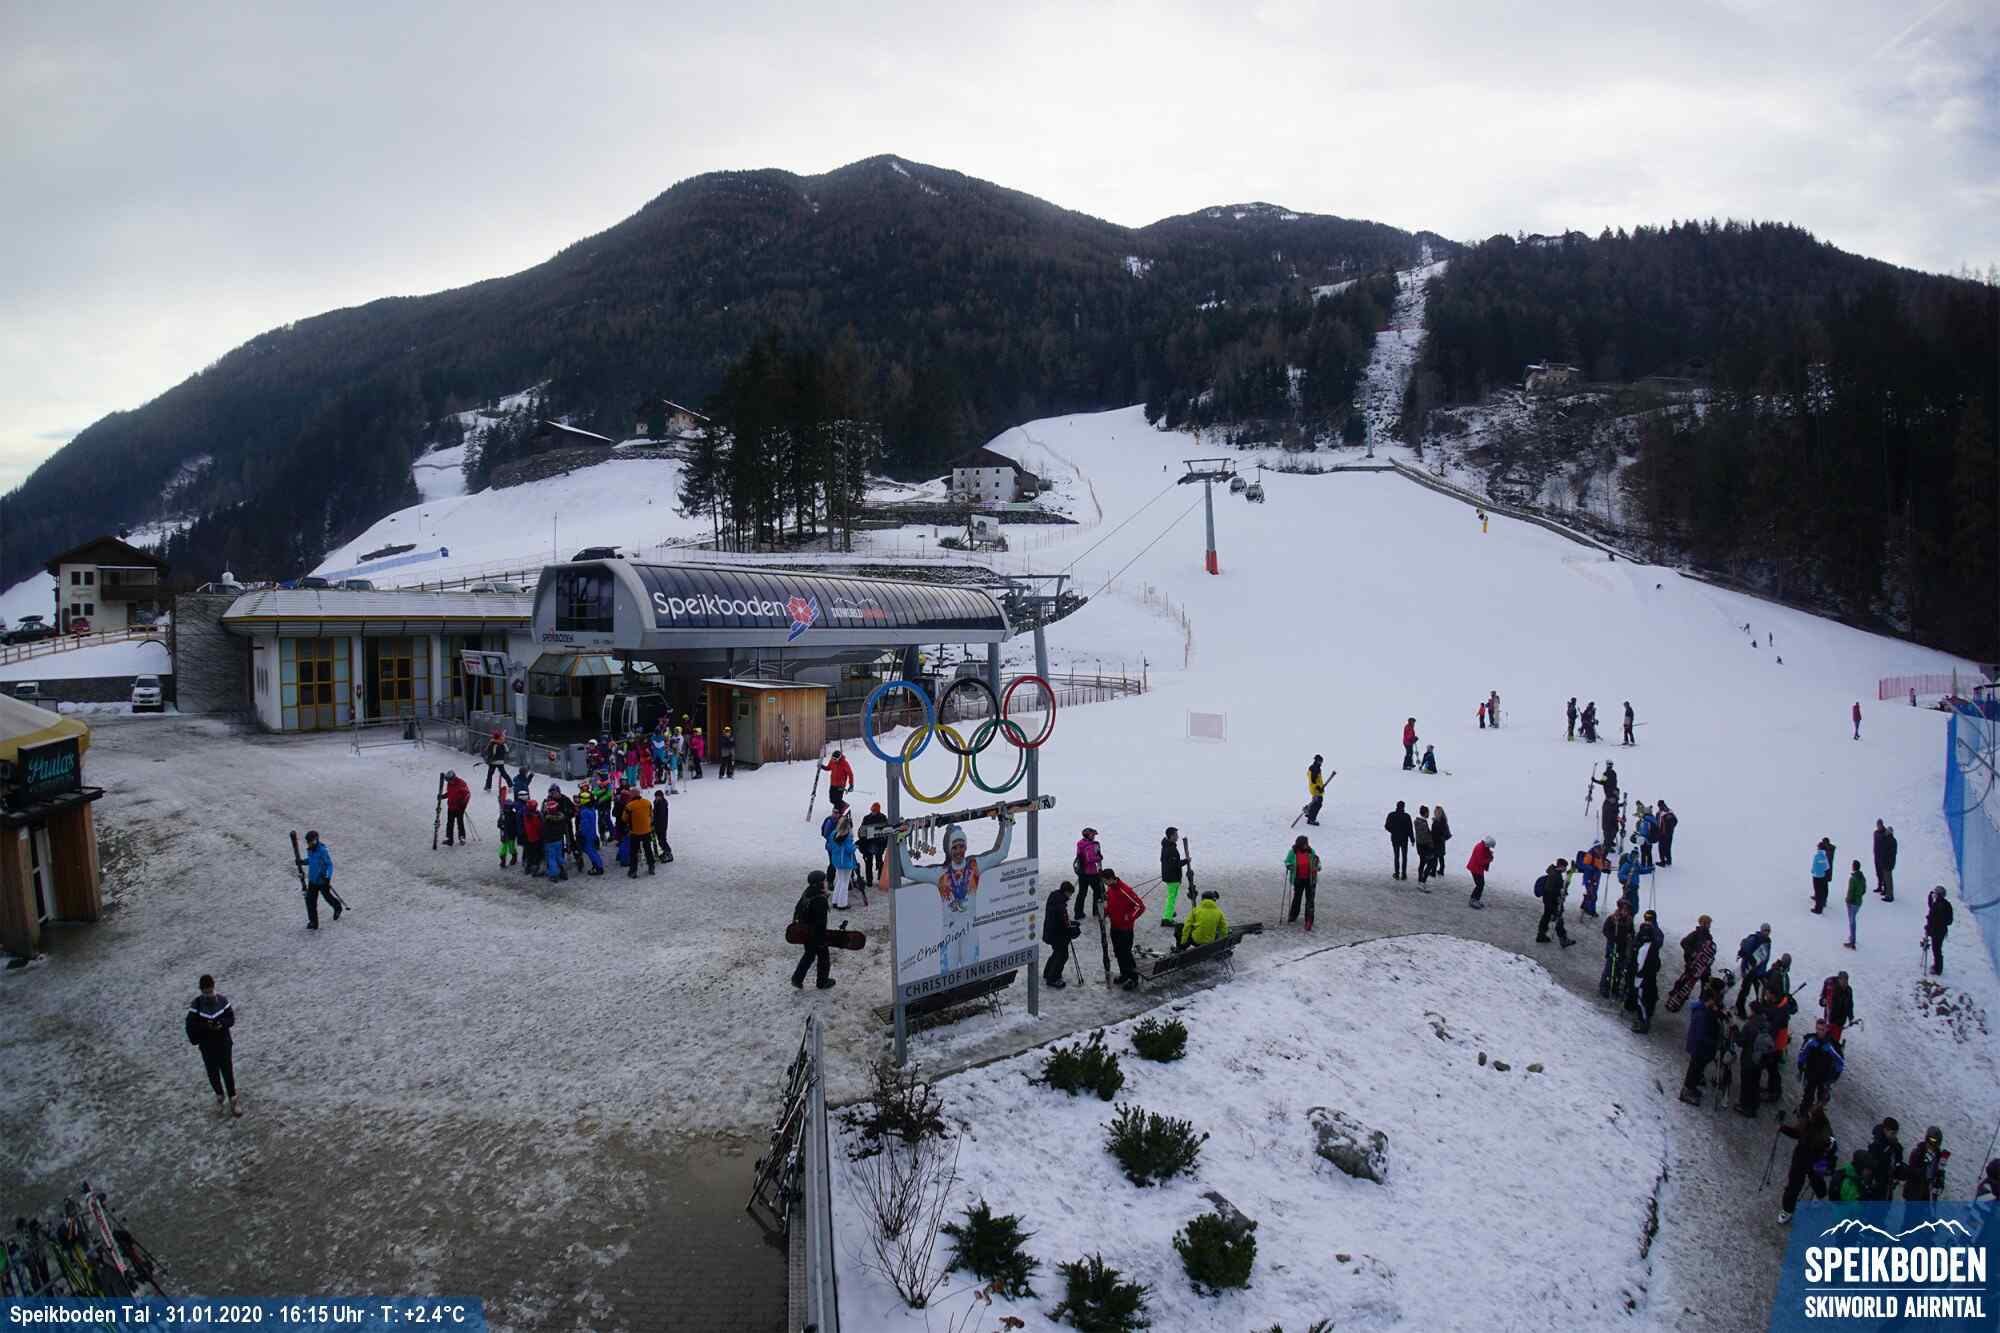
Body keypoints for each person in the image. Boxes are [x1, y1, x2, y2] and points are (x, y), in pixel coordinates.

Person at [185, 974, 242, 1118]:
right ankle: (219, 1097)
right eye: (206, 992)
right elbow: (190, 1026)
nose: (209, 995)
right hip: (207, 1047)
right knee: (213, 1073)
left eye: (210, 991)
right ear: (201, 990)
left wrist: (221, 1023)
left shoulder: (222, 1001)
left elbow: (231, 1019)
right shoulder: (196, 1005)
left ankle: (233, 1099)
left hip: (223, 1044)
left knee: (227, 1072)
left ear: (213, 987)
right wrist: (205, 1028)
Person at [1776, 1106, 1835, 1222]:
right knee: (1793, 1185)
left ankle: (1820, 1195)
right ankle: (1787, 1210)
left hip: (1817, 1160)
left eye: (1811, 1116)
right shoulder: (1806, 1123)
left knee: (1817, 1180)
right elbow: (1796, 1132)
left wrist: (1826, 1163)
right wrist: (1783, 1128)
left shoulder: (1826, 1133)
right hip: (1801, 1158)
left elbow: (1829, 1149)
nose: (1809, 1118)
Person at [790, 871, 834, 990]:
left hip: (804, 930)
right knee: (824, 957)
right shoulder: (820, 900)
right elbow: (821, 922)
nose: (826, 882)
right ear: (820, 883)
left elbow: (798, 909)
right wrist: (822, 939)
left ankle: (797, 978)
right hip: (815, 933)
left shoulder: (808, 892)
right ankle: (822, 982)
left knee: (809, 955)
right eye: (825, 880)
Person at [1680, 984, 1722, 1105]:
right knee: (1694, 1070)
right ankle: (1687, 1091)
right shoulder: (1702, 1014)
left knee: (1697, 1070)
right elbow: (1701, 1034)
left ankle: (1691, 1088)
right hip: (1700, 1047)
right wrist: (1712, 1043)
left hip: (1701, 1047)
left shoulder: (1704, 1010)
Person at [1106, 870, 1146, 988]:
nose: (1105, 883)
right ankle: (1124, 974)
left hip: (1125, 929)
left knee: (1126, 954)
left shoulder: (1125, 890)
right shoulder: (1110, 889)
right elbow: (1111, 904)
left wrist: (1129, 917)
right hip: (1114, 926)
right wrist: (1106, 912)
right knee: (1118, 953)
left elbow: (1140, 906)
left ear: (1111, 878)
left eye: (1105, 881)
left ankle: (1133, 978)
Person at [1795, 1019, 1844, 1114]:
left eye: (1822, 1029)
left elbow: (1840, 1061)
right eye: (1817, 1029)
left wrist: (1834, 1077)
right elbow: (1802, 1054)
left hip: (1825, 1076)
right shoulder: (1811, 1040)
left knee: (1821, 1098)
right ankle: (1803, 1113)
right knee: (1808, 1095)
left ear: (1826, 1029)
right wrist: (1800, 1068)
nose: (1819, 1032)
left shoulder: (1831, 1045)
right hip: (1811, 1073)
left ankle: (1817, 1113)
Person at [299, 830, 343, 928]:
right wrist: (303, 862)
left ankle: (337, 907)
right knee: (310, 901)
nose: (309, 843)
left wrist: (328, 877)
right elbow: (311, 861)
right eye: (308, 841)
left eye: (310, 841)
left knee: (327, 897)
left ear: (315, 840)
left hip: (322, 880)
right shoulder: (310, 850)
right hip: (312, 880)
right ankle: (313, 922)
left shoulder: (322, 851)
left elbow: (329, 865)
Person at [1631, 909, 1663, 1032]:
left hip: (1644, 975)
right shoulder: (1647, 942)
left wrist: (1638, 973)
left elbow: (1641, 963)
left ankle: (1644, 1022)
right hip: (1647, 972)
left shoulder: (1649, 944)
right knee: (1646, 996)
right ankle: (1643, 1017)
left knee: (1643, 998)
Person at [1042, 882, 1078, 988]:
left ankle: (1048, 972)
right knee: (1062, 955)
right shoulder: (1059, 904)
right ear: (1066, 892)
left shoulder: (1056, 899)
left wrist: (1071, 924)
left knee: (1057, 953)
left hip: (1052, 932)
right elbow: (1062, 921)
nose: (1070, 897)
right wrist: (1070, 929)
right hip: (1057, 935)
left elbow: (1062, 920)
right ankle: (1053, 978)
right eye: (1070, 894)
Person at [1860, 1119, 1905, 1199]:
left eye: (1896, 1134)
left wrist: (1898, 1175)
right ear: (1885, 1130)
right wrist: (1866, 1186)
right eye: (1892, 1133)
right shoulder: (1876, 1146)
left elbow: (1898, 1162)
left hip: (1887, 1186)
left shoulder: (1896, 1146)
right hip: (1876, 1185)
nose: (1895, 1136)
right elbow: (1868, 1168)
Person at [1734, 923, 1772, 1018]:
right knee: (1745, 989)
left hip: (1758, 971)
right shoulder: (1755, 939)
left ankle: (1758, 1012)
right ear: (1761, 930)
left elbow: (1764, 959)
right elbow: (1745, 950)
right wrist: (1748, 960)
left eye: (1768, 931)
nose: (1767, 932)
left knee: (1759, 993)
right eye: (1765, 930)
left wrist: (1763, 972)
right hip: (1750, 970)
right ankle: (1739, 1007)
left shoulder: (1767, 942)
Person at [1534, 859, 1574, 947]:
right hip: (1552, 901)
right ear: (1561, 866)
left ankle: (1541, 935)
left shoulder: (1554, 873)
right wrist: (1560, 894)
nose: (1565, 869)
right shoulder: (1555, 876)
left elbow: (1559, 887)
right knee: (1558, 919)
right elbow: (1552, 890)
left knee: (1547, 916)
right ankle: (1563, 939)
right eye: (1565, 867)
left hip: (1548, 900)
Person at [1284, 835, 1321, 929]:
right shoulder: (1293, 852)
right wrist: (1289, 865)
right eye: (1304, 844)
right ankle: (1293, 915)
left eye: (1307, 843)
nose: (1306, 845)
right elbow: (1287, 861)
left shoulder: (1311, 851)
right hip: (1298, 879)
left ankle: (1309, 920)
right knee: (1297, 898)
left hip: (1310, 879)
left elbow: (1317, 863)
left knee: (1310, 900)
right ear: (1299, 844)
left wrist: (1318, 867)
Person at [827, 806, 860, 909]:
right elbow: (849, 849)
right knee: (844, 882)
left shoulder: (833, 834)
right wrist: (856, 846)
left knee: (839, 880)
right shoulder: (847, 836)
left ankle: (835, 901)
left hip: (836, 860)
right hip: (846, 861)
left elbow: (830, 846)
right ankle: (842, 903)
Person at [1903, 1127, 1947, 1202]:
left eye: (1935, 1144)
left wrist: (1940, 1183)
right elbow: (1911, 1172)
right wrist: (1926, 1162)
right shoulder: (1918, 1152)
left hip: (1927, 1193)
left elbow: (1940, 1172)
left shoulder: (1938, 1156)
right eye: (1930, 1143)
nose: (1932, 1147)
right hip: (1914, 1192)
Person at [1600, 900, 1633, 997]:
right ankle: (1604, 986)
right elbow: (1605, 930)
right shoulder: (1613, 918)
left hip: (1623, 948)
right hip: (1613, 946)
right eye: (1624, 910)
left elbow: (1631, 932)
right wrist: (1612, 937)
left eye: (1627, 911)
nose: (1625, 912)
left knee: (1619, 969)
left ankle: (1615, 987)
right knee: (1610, 967)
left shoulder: (1629, 921)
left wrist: (1630, 936)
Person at [539, 788, 572, 882]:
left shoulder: (547, 820)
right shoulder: (561, 817)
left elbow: (543, 830)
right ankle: (563, 871)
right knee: (559, 856)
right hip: (559, 840)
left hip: (549, 842)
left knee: (551, 858)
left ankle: (554, 875)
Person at [1073, 828, 1105, 919]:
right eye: (1092, 835)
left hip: (1082, 873)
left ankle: (1078, 913)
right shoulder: (1089, 845)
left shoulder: (1081, 843)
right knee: (1098, 891)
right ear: (1087, 835)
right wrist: (1099, 857)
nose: (1094, 836)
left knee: (1082, 893)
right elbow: (1090, 859)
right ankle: (1097, 911)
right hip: (1091, 873)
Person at [573, 791, 605, 876]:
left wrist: (581, 833)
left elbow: (585, 825)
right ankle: (598, 866)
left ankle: (598, 867)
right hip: (592, 832)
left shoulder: (584, 811)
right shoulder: (591, 808)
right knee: (593, 850)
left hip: (587, 834)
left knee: (590, 851)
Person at [1818, 970, 1855, 1044]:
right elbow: (1822, 1000)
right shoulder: (1831, 988)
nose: (1845, 983)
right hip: (1829, 1020)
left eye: (1846, 981)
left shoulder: (1849, 990)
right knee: (1826, 1038)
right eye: (1843, 981)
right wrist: (1823, 1001)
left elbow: (1850, 1005)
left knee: (1835, 1040)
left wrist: (1851, 1018)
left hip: (1840, 1022)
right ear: (1839, 980)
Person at [1924, 886, 1954, 975]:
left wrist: (1929, 928)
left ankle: (1938, 969)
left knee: (1936, 950)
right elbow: (1932, 909)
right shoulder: (1944, 904)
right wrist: (1930, 899)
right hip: (1940, 930)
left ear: (1939, 895)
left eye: (1935, 893)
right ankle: (1937, 966)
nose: (1934, 895)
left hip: (1937, 931)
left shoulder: (1939, 905)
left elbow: (1933, 917)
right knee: (1937, 949)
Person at [1158, 828, 1185, 926]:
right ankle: (1167, 919)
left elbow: (1164, 860)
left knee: (1171, 897)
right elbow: (1175, 864)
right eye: (1176, 835)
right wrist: (1186, 861)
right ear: (1171, 836)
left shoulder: (1166, 846)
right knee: (1171, 898)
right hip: (1173, 878)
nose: (1177, 837)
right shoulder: (1171, 848)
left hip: (1169, 876)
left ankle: (1169, 912)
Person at [859, 803, 890, 887]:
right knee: (868, 863)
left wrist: (885, 844)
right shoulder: (867, 818)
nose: (873, 812)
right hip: (868, 844)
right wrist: (863, 843)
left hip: (879, 844)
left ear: (878, 810)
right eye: (872, 810)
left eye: (874, 810)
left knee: (879, 862)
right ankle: (869, 881)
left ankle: (881, 878)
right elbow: (862, 831)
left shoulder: (883, 818)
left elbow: (886, 831)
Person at [1575, 842, 1610, 916]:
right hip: (1590, 878)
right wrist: (1592, 868)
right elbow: (1584, 865)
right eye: (1599, 848)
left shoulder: (1599, 856)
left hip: (1595, 879)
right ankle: (1591, 910)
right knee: (1592, 895)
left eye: (1601, 848)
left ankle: (1585, 906)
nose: (1601, 850)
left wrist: (1604, 869)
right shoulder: (1590, 855)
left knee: (1591, 893)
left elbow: (1599, 866)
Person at [1385, 801, 1414, 880]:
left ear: (1397, 806)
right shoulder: (1407, 816)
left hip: (1395, 838)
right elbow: (1410, 829)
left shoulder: (1391, 815)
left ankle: (1397, 874)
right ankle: (1404, 874)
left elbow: (1387, 826)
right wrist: (1412, 839)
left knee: (1396, 856)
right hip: (1404, 839)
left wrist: (1393, 831)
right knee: (1404, 857)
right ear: (1404, 807)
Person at [441, 770, 471, 846]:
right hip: (451, 806)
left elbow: (467, 794)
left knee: (460, 822)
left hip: (459, 807)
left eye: (449, 780)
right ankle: (449, 839)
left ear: (453, 778)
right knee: (449, 823)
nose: (448, 782)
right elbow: (450, 793)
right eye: (447, 780)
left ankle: (462, 837)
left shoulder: (461, 783)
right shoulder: (449, 784)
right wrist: (443, 796)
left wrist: (463, 803)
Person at [1465, 835, 1494, 908]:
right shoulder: (1480, 848)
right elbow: (1480, 861)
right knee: (1480, 885)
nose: (1490, 848)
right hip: (1475, 869)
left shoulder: (1484, 846)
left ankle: (1476, 899)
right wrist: (1489, 860)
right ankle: (1472, 900)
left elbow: (1486, 853)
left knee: (1481, 884)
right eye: (1490, 846)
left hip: (1478, 869)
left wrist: (1490, 855)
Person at [1872, 820, 1897, 901]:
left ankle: (1889, 895)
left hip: (1887, 863)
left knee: (1888, 879)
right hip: (1883, 861)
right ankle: (1886, 892)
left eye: (1888, 832)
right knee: (1883, 876)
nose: (1886, 832)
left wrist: (1887, 861)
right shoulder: (1886, 838)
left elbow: (1890, 854)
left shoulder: (1891, 840)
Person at [1843, 859, 1865, 949]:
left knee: (1852, 922)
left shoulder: (1853, 879)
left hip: (1852, 903)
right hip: (1859, 902)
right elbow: (1864, 890)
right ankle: (1852, 937)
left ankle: (1852, 941)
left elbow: (1850, 891)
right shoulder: (1862, 877)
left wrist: (1847, 900)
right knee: (1853, 920)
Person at [1412, 806, 1435, 888]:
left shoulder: (1418, 822)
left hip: (1419, 846)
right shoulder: (1423, 823)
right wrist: (1431, 841)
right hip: (1425, 847)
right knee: (1431, 863)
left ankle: (1420, 880)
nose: (1429, 814)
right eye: (1428, 812)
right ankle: (1422, 880)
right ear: (1425, 813)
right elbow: (1425, 837)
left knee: (1422, 863)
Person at [1304, 755, 1330, 826]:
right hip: (1316, 790)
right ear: (1316, 760)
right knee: (1318, 804)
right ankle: (1311, 819)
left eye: (1321, 761)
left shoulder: (1313, 767)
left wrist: (1319, 786)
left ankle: (1308, 811)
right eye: (1320, 761)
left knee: (1315, 802)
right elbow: (1313, 779)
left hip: (1313, 788)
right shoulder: (1315, 768)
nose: (1321, 762)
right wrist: (1318, 787)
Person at [1809, 838, 1834, 914]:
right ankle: (1822, 902)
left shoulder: (1820, 855)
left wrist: (1814, 871)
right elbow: (1827, 866)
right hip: (1824, 874)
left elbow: (1815, 866)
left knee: (1819, 891)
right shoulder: (1826, 854)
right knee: (1822, 890)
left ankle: (1819, 907)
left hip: (1819, 876)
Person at [1428, 804, 1451, 878]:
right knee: (1440, 856)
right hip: (1438, 841)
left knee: (1436, 857)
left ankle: (1434, 872)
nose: (1435, 813)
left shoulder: (1441, 821)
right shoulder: (1439, 820)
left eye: (1436, 812)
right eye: (1435, 811)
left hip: (1438, 842)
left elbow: (1442, 832)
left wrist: (1440, 838)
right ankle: (1441, 870)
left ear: (1439, 813)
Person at [497, 797, 519, 868]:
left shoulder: (513, 815)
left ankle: (514, 857)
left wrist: (516, 832)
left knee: (511, 847)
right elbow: (499, 823)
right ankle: (503, 860)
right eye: (506, 807)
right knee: (503, 848)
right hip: (504, 834)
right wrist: (501, 825)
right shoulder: (502, 815)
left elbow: (516, 825)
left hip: (511, 834)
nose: (507, 809)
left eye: (509, 807)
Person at [1655, 800, 1677, 866]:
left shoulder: (1659, 813)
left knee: (1661, 848)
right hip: (1670, 834)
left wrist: (1658, 832)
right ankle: (1669, 861)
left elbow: (1657, 824)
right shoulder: (1670, 811)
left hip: (1662, 834)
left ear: (1659, 805)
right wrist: (1671, 829)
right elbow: (1676, 821)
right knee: (1668, 847)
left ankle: (1662, 862)